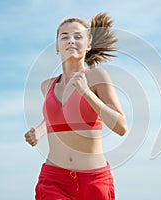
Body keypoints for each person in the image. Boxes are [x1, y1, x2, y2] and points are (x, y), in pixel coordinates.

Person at [24, 12, 127, 200]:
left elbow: (121, 126)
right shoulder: (47, 86)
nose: (71, 40)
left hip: (93, 181)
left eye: (78, 36)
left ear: (88, 45)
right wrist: (38, 132)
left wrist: (86, 93)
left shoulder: (97, 77)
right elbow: (57, 117)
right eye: (64, 36)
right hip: (53, 181)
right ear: (57, 46)